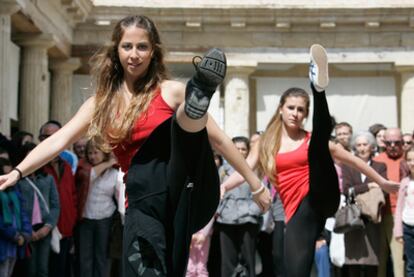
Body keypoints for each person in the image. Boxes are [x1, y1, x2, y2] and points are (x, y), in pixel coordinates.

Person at [0, 15, 271, 277]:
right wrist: (18, 171)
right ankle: (192, 111)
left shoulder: (170, 91)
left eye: (142, 47)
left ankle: (196, 102)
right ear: (116, 50)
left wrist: (255, 184)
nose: (134, 54)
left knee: (182, 124)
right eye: (127, 46)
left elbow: (220, 140)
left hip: (181, 188)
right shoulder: (102, 103)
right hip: (144, 201)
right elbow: (59, 140)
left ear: (153, 52)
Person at [221, 44, 399, 277]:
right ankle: (317, 87)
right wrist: (224, 185)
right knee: (295, 271)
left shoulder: (311, 140)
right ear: (281, 110)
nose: (296, 113)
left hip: (322, 195)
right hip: (297, 213)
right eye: (291, 108)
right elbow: (246, 169)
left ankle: (318, 88)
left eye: (301, 110)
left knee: (318, 146)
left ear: (306, 114)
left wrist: (382, 182)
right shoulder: (265, 143)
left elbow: (354, 161)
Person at [340, 131, 386, 277]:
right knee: (354, 262)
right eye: (358, 145)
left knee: (372, 262)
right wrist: (368, 187)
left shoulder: (380, 166)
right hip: (354, 218)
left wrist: (358, 190)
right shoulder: (347, 166)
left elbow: (383, 189)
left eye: (365, 144)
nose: (362, 148)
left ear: (372, 147)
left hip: (372, 218)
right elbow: (347, 190)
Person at [216, 136, 262, 277]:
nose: (240, 152)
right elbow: (216, 192)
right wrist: (219, 211)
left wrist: (252, 211)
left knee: (249, 260)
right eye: (237, 149)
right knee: (227, 262)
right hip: (226, 219)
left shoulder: (254, 169)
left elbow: (262, 191)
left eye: (243, 149)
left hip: (247, 219)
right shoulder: (222, 170)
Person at [15, 143, 60, 277]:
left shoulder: (48, 179)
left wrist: (48, 227)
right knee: (30, 270)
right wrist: (27, 230)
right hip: (27, 230)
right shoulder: (18, 181)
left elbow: (55, 205)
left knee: (43, 269)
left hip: (44, 229)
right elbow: (17, 207)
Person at [76, 140, 119, 277]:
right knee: (85, 258)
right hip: (85, 219)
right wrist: (109, 162)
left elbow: (119, 197)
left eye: (96, 152)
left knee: (102, 257)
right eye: (90, 153)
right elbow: (90, 176)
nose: (93, 156)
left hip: (106, 220)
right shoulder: (83, 168)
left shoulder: (114, 173)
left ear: (104, 153)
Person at [394, 146, 414, 276]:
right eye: (409, 159)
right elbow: (399, 208)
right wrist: (398, 232)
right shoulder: (405, 182)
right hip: (408, 228)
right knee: (411, 265)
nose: (412, 163)